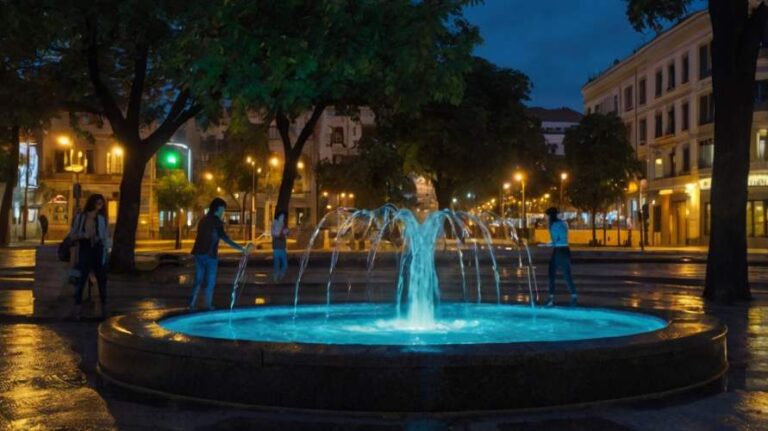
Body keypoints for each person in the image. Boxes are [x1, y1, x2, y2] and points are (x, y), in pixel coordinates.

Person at [189, 198, 248, 310]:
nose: (223, 211)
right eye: (223, 209)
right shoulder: (217, 222)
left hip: (198, 253)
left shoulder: (203, 220)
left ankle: (192, 305)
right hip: (210, 255)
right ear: (218, 208)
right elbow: (226, 239)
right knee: (210, 282)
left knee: (198, 280)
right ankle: (207, 305)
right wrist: (241, 249)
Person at [70, 194, 111, 319]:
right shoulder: (81, 217)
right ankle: (78, 309)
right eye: (98, 203)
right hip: (85, 248)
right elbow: (73, 235)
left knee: (102, 279)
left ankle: (104, 307)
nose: (100, 206)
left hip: (98, 250)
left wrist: (104, 243)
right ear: (92, 203)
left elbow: (105, 236)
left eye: (102, 204)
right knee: (81, 279)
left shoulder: (101, 219)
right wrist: (84, 235)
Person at [542, 207, 577, 306]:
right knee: (567, 274)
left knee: (551, 274)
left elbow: (555, 241)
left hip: (558, 251)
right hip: (566, 250)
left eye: (546, 216)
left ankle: (551, 299)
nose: (545, 218)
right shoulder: (564, 223)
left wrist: (546, 244)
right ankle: (574, 296)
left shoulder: (552, 225)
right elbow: (562, 238)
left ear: (550, 216)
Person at [271, 211, 289, 282]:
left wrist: (285, 231)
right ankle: (277, 277)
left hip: (280, 248)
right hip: (278, 248)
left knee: (281, 264)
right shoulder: (276, 225)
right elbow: (278, 235)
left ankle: (279, 276)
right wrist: (283, 231)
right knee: (279, 264)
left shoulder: (279, 226)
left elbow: (285, 234)